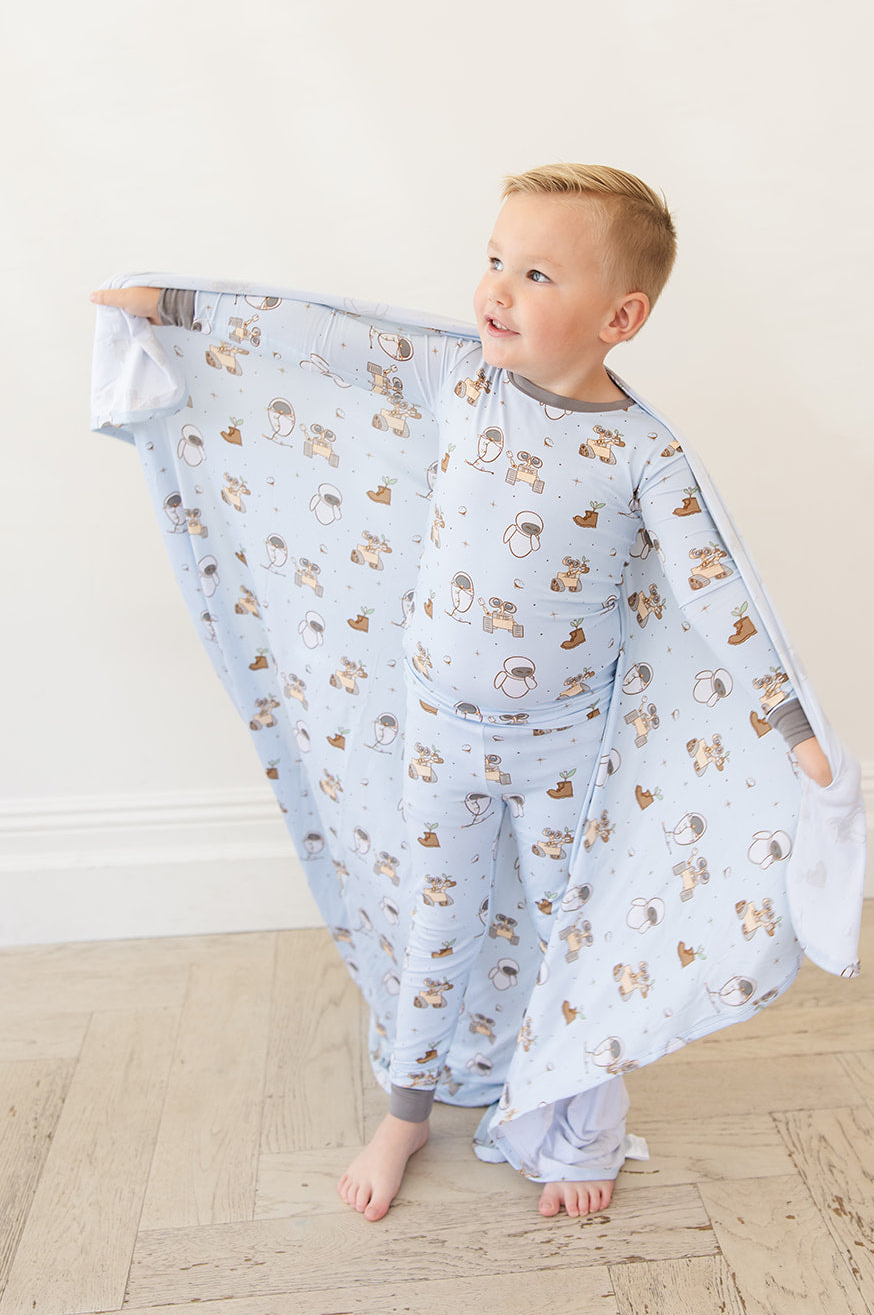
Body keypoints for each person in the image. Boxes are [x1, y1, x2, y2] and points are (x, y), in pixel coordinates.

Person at [91, 163, 835, 1222]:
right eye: (493, 259)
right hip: (439, 737)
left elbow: (715, 589)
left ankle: (581, 1128)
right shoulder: (459, 381)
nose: (496, 287)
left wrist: (790, 724)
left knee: (569, 936)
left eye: (535, 273)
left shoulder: (642, 454)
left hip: (561, 754)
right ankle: (406, 1110)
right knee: (434, 926)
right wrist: (172, 306)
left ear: (619, 318)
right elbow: (322, 337)